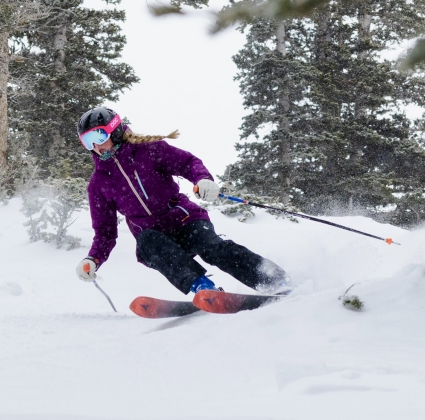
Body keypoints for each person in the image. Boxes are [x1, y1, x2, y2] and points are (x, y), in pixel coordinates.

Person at [72, 106, 287, 297]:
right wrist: (94, 259)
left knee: (213, 248)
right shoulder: (99, 184)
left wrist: (202, 179)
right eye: (87, 142)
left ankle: (274, 279)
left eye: (98, 137)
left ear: (115, 130)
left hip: (185, 221)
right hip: (156, 239)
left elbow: (187, 162)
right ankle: (203, 288)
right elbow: (105, 232)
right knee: (147, 240)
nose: (96, 147)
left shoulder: (150, 150)